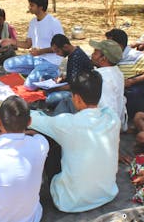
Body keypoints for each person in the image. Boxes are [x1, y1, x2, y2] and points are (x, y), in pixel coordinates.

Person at [29, 70, 121, 212]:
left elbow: (34, 119)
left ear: (77, 98)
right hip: (107, 193)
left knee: (48, 139)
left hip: (69, 202)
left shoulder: (67, 123)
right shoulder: (113, 118)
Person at [1, 0, 65, 90]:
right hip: (36, 59)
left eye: (32, 5)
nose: (29, 7)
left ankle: (51, 73)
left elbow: (61, 46)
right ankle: (39, 74)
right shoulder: (33, 22)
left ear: (40, 7)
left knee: (28, 86)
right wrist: (11, 41)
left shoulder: (54, 23)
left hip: (50, 61)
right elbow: (28, 44)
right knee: (7, 65)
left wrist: (40, 51)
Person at [106, 28, 144, 121]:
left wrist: (132, 81)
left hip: (130, 91)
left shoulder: (136, 56)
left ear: (119, 45)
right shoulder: (108, 55)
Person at [45, 34, 93, 107]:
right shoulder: (73, 53)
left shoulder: (76, 58)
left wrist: (55, 88)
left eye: (58, 51)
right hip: (74, 83)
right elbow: (73, 76)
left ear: (65, 47)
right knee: (46, 77)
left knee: (50, 99)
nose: (57, 54)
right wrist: (62, 79)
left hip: (80, 91)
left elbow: (74, 85)